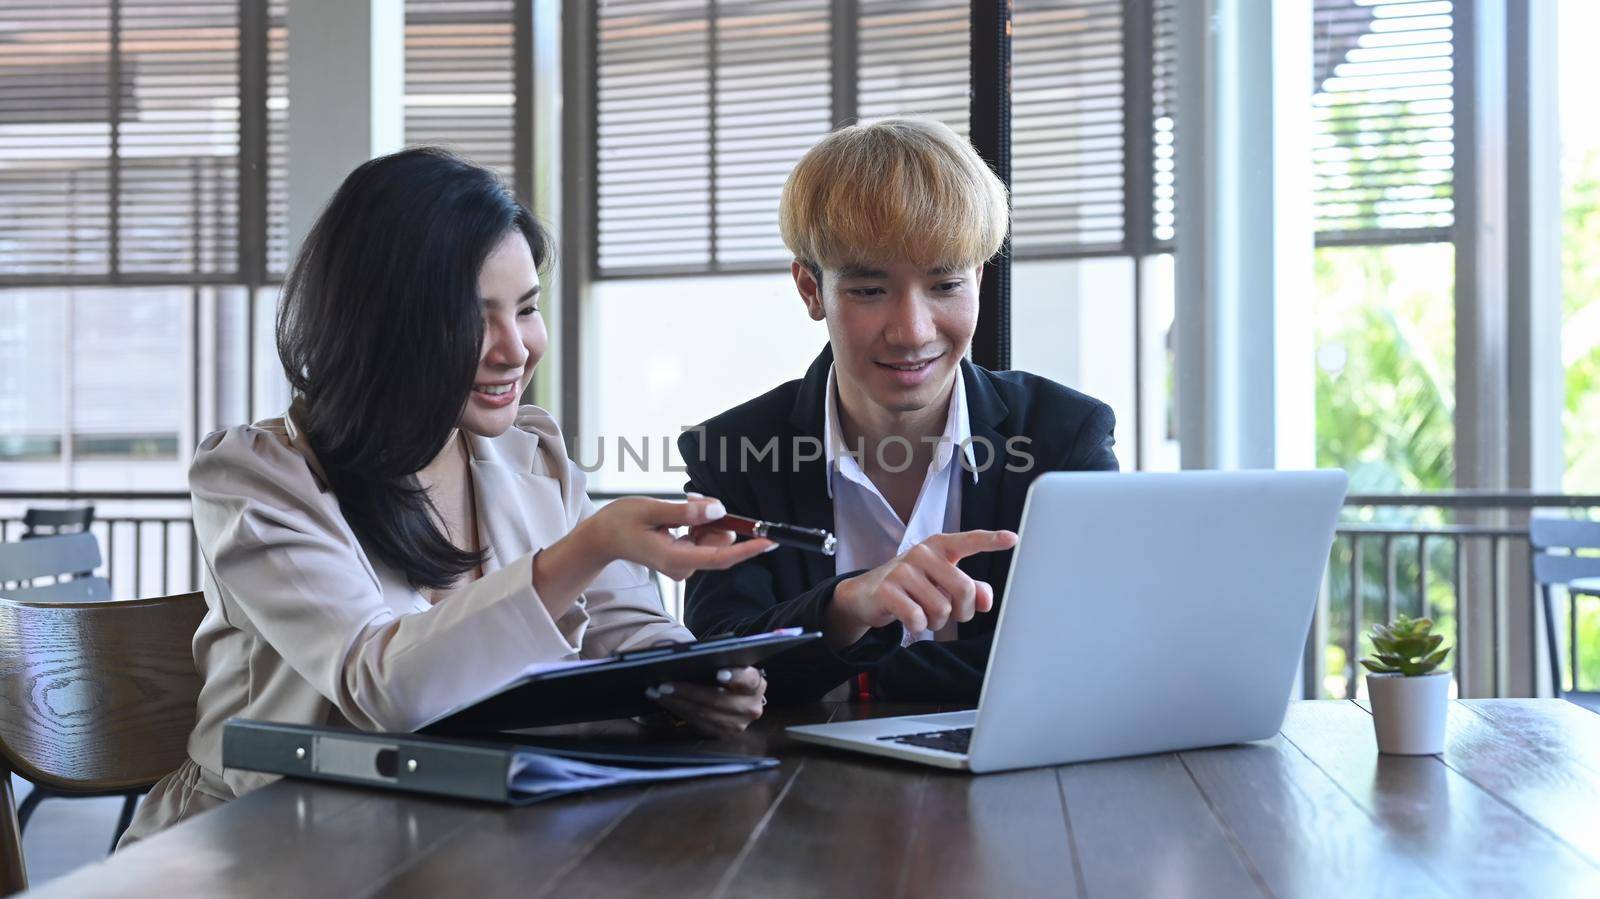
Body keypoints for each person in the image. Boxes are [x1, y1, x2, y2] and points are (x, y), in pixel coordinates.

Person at [121, 148, 773, 844]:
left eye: (525, 309)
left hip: (459, 834)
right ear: (380, 321)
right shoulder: (259, 476)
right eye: (473, 315)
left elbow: (625, 627)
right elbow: (382, 685)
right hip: (261, 843)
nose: (514, 348)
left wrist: (692, 682)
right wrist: (588, 546)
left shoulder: (532, 454)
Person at [680, 117, 1119, 705]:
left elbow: (1086, 655)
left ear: (979, 281)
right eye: (869, 290)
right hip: (802, 790)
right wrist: (848, 605)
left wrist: (856, 676)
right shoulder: (734, 453)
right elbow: (721, 665)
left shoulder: (1062, 436)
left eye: (945, 286)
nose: (913, 333)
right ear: (811, 291)